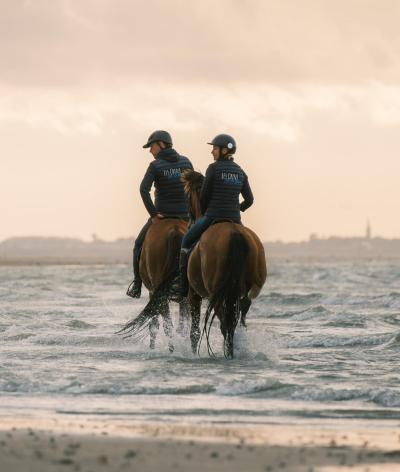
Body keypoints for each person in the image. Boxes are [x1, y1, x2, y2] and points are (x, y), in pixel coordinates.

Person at [175, 133, 254, 297]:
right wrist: (237, 208)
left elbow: (203, 196)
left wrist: (204, 212)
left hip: (213, 216)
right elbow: (250, 199)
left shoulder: (213, 168)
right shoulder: (240, 171)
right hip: (235, 219)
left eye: (215, 148)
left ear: (224, 150)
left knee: (186, 240)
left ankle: (182, 288)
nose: (212, 152)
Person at [127, 130, 193, 298]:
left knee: (138, 246)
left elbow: (143, 190)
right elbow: (194, 189)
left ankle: (137, 285)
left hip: (163, 216)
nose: (150, 151)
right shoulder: (186, 162)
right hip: (185, 217)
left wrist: (154, 215)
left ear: (162, 144)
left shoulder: (155, 166)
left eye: (152, 146)